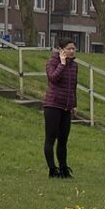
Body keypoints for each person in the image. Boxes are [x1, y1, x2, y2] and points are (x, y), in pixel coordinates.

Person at [44, 39, 79, 178]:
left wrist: (74, 104)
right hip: (53, 105)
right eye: (69, 48)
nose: (71, 51)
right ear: (61, 49)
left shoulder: (75, 66)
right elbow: (53, 78)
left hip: (66, 106)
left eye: (73, 49)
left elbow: (73, 86)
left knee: (63, 139)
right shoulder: (52, 62)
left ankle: (64, 168)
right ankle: (53, 169)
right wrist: (62, 64)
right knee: (50, 138)